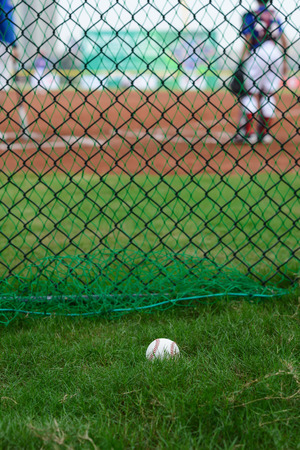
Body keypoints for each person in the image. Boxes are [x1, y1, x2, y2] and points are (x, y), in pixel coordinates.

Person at [234, 0, 288, 144]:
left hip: (258, 51)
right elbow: (284, 40)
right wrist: (285, 60)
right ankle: (264, 134)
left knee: (250, 92)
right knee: (268, 93)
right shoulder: (274, 15)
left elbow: (248, 38)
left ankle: (249, 133)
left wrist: (242, 59)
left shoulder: (251, 15)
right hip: (275, 52)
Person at [0, 0, 29, 141]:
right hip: (3, 45)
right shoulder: (4, 1)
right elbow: (6, 21)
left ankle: (24, 126)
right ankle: (24, 127)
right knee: (2, 87)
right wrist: (13, 45)